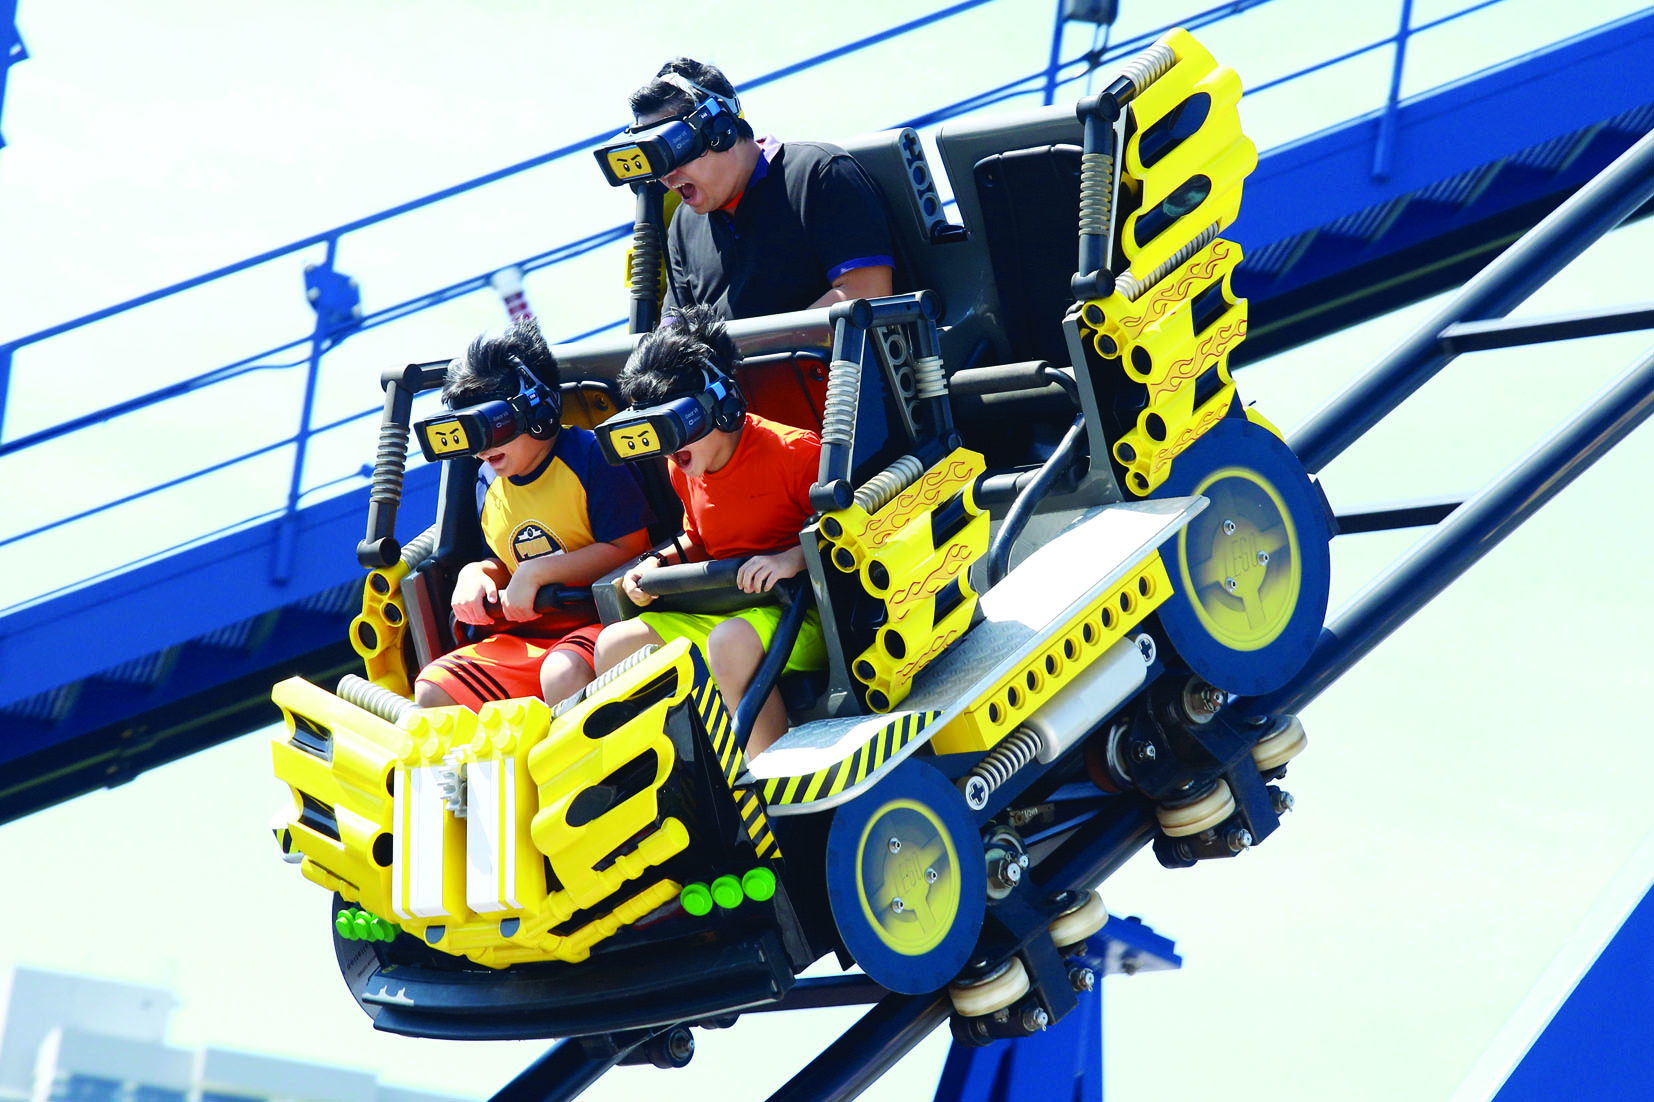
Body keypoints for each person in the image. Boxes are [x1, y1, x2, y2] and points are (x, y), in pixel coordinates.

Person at [594, 306, 826, 755]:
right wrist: (657, 564)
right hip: (732, 608)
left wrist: (788, 560)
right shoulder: (682, 468)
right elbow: (698, 540)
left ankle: (770, 783)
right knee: (616, 644)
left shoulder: (795, 453)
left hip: (805, 613)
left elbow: (845, 531)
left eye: (674, 427)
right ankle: (682, 777)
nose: (669, 449)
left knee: (729, 641)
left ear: (721, 409)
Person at [413, 318, 654, 711]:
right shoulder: (486, 480)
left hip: (600, 627)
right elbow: (505, 560)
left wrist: (539, 573)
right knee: (433, 688)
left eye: (489, 427)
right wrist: (478, 573)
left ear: (537, 411)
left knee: (561, 673)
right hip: (524, 637)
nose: (480, 450)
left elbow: (630, 549)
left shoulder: (591, 457)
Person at [629, 57, 896, 319]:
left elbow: (866, 293)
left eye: (674, 149)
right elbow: (674, 330)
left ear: (720, 131)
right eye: (656, 159)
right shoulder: (682, 225)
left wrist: (755, 346)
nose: (667, 175)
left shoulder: (819, 172)